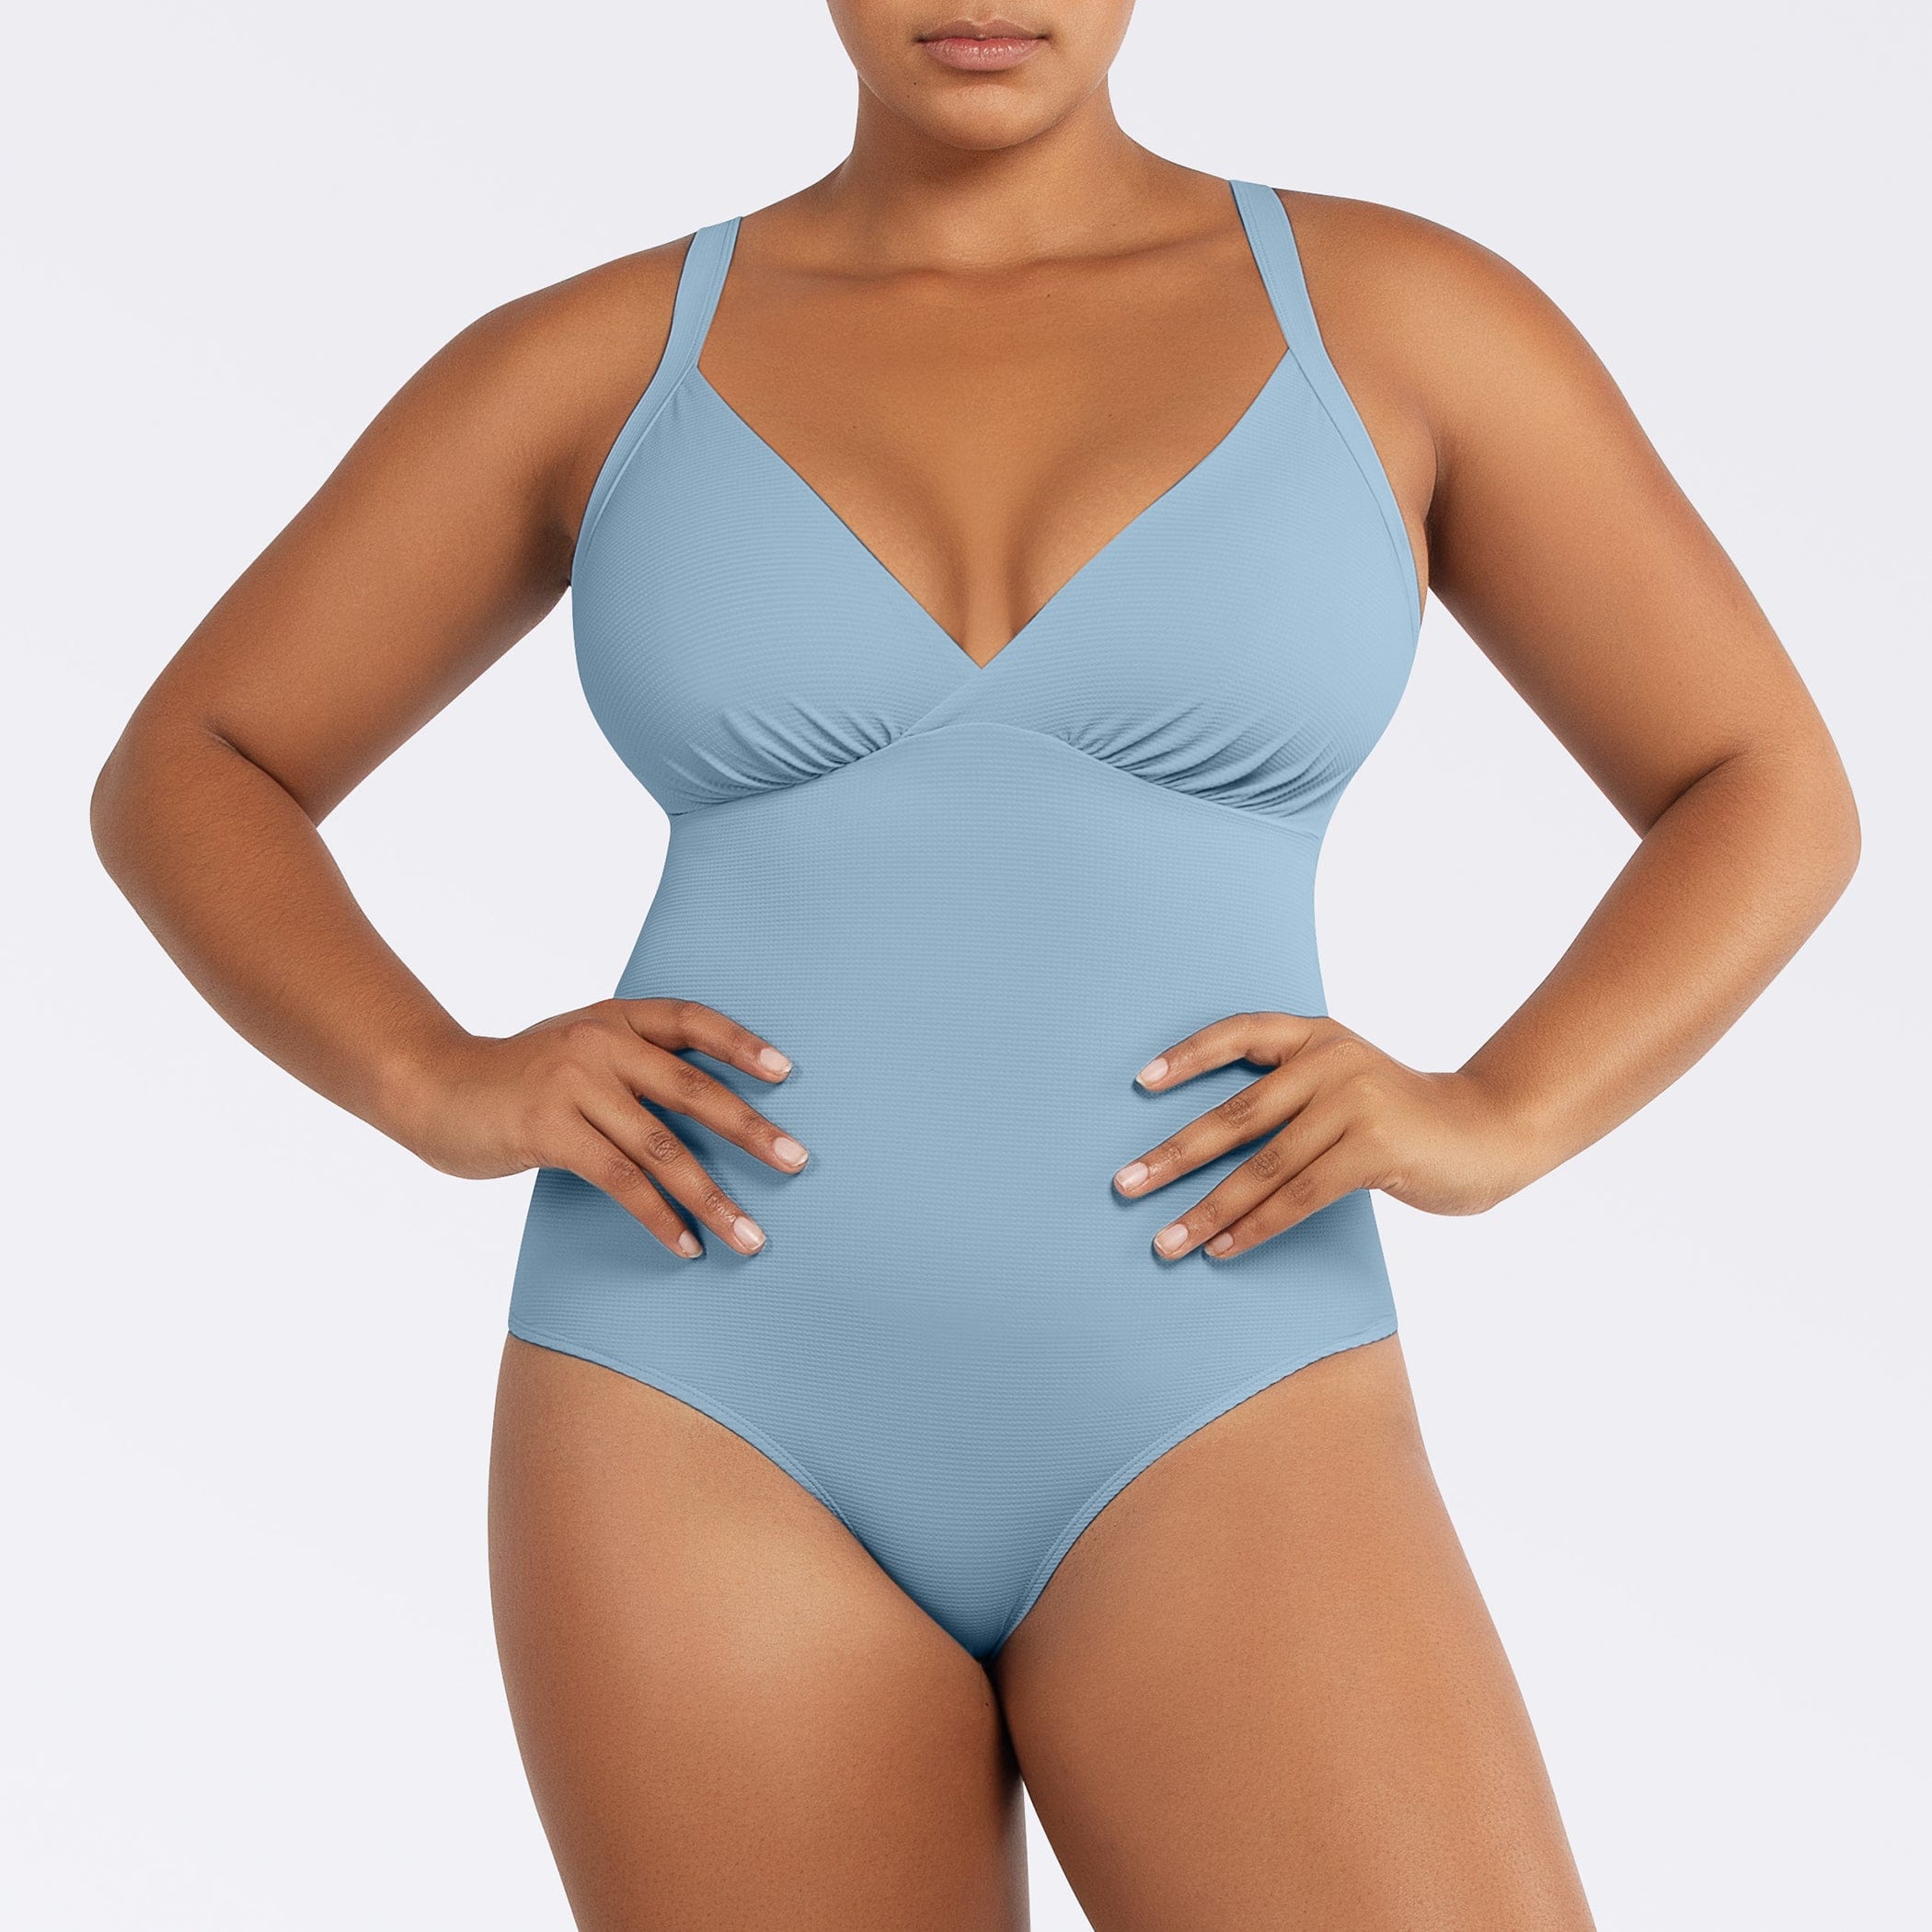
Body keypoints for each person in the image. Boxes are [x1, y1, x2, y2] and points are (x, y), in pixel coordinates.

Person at [89, 5, 1859, 1926]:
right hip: (694, 1402)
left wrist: (1503, 1113)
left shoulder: (1403, 322)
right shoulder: (598, 361)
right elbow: (196, 764)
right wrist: (432, 1076)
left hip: (1227, 1385)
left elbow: (1761, 782)